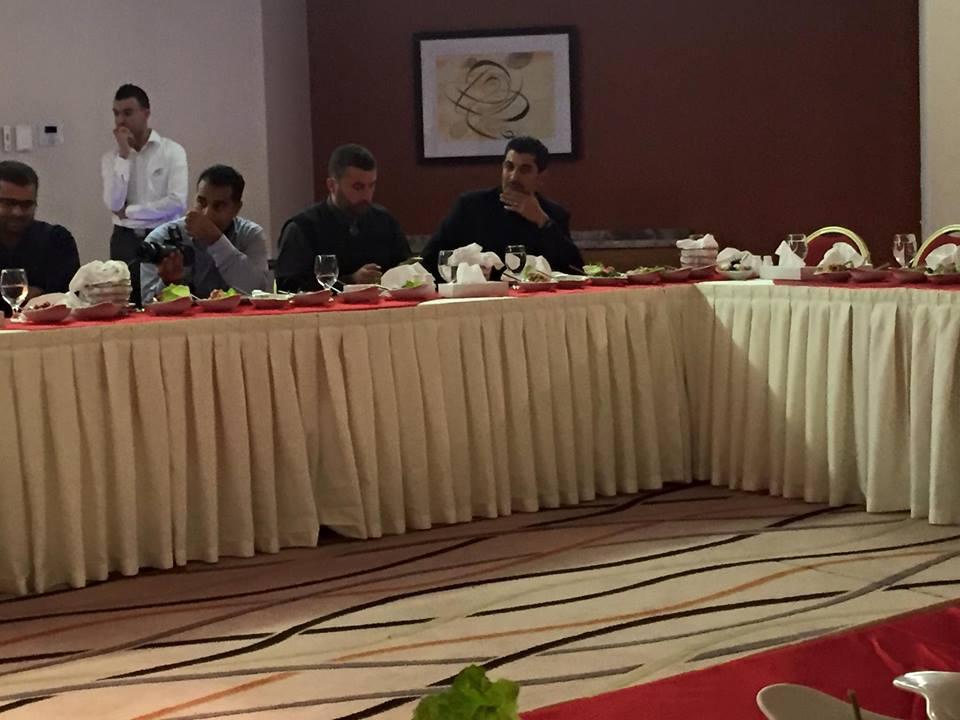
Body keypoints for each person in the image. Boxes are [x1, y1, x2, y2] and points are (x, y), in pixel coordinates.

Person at [422, 136, 583, 278]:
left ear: (540, 177)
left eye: (524, 170)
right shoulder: (471, 206)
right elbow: (429, 261)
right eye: (509, 167)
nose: (513, 177)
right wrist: (465, 272)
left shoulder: (553, 214)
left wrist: (542, 221)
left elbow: (575, 271)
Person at [274, 144, 410, 291]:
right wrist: (349, 281)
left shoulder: (385, 222)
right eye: (358, 187)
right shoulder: (304, 228)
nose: (366, 195)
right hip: (327, 306)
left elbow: (408, 270)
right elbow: (288, 286)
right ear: (332, 185)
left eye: (371, 186)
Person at [101, 83, 188, 305]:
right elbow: (113, 203)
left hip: (164, 237)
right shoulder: (111, 158)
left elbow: (176, 202)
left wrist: (130, 212)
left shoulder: (172, 152)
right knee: (125, 304)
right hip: (125, 239)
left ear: (146, 113)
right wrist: (123, 155)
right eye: (116, 114)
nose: (120, 120)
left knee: (166, 302)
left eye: (128, 113)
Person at [140, 165, 270, 303]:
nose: (207, 213)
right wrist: (167, 282)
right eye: (201, 202)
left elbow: (258, 291)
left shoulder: (250, 235)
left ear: (236, 209)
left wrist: (216, 240)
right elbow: (147, 304)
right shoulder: (160, 239)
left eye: (218, 206)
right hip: (183, 317)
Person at [0, 160, 80, 315]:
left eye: (26, 205)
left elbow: (69, 298)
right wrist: (38, 292)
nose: (18, 212)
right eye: (9, 204)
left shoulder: (57, 240)